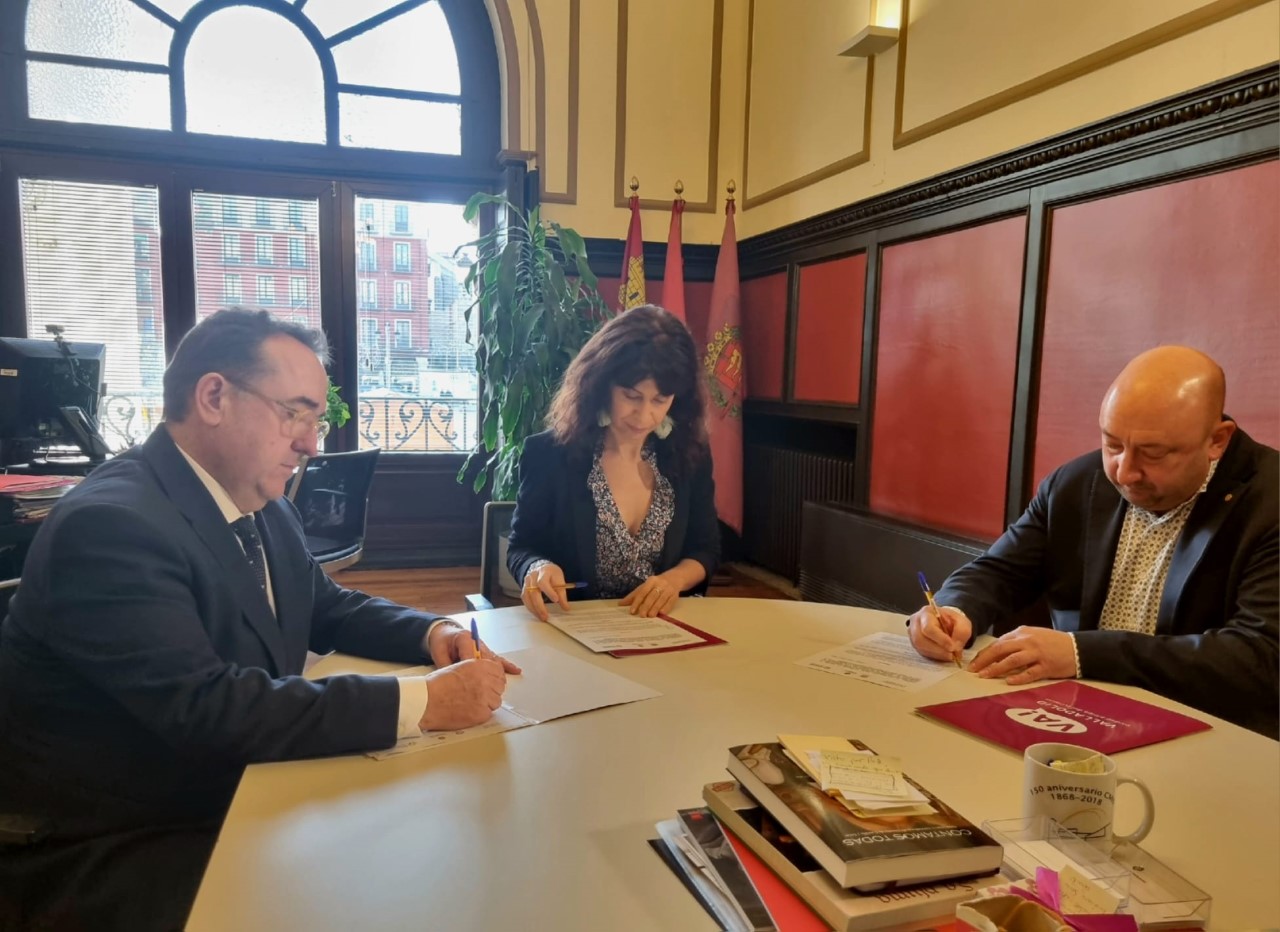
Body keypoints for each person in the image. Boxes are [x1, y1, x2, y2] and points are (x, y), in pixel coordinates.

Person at [0, 309, 520, 930]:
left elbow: (325, 605)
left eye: (315, 421)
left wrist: (434, 632)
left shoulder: (261, 504)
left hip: (228, 789)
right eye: (294, 414)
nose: (311, 444)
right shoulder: (111, 526)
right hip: (117, 840)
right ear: (214, 397)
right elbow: (210, 709)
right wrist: (425, 703)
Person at [907, 345, 1278, 737]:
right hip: (1074, 718)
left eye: (1153, 453)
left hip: (1215, 735)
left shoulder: (1269, 503)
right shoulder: (1076, 484)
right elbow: (1001, 570)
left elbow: (1261, 657)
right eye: (1112, 444)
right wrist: (954, 610)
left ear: (1217, 440)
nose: (1124, 473)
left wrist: (1081, 652)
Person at [507, 304, 720, 621]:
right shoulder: (550, 453)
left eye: (660, 400)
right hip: (577, 626)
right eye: (631, 396)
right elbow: (522, 547)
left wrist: (672, 581)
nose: (644, 415)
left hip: (663, 626)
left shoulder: (689, 453)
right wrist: (537, 567)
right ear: (601, 383)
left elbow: (705, 548)